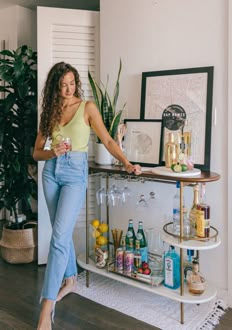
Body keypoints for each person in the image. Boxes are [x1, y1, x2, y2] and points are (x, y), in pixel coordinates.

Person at [33, 62, 142, 330]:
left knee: (57, 238)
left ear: (76, 83)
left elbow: (107, 140)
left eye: (71, 83)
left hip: (74, 173)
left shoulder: (88, 108)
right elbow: (36, 152)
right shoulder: (50, 111)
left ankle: (46, 309)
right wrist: (53, 152)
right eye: (62, 84)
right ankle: (71, 279)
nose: (68, 88)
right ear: (55, 87)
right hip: (51, 172)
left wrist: (126, 163)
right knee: (63, 232)